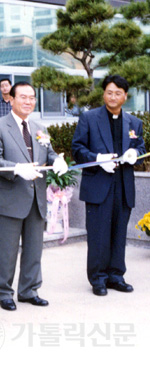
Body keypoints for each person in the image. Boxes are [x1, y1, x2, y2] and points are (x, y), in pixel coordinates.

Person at [0, 82, 67, 311]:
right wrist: (17, 168)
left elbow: (48, 152)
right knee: (6, 250)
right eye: (23, 97)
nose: (28, 101)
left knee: (34, 249)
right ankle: (3, 292)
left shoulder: (40, 128)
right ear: (11, 99)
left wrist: (57, 160)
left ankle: (29, 290)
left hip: (36, 197)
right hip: (10, 197)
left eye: (32, 97)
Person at [71, 75, 145, 296]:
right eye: (109, 92)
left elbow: (141, 148)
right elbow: (77, 149)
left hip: (123, 186)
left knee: (119, 233)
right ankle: (98, 278)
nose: (113, 97)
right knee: (98, 234)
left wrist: (135, 154)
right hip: (98, 184)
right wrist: (97, 159)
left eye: (118, 93)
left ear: (125, 96)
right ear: (104, 94)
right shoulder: (89, 118)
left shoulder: (134, 123)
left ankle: (116, 275)